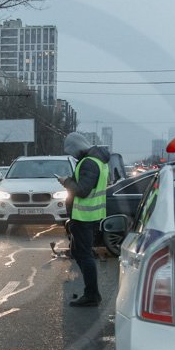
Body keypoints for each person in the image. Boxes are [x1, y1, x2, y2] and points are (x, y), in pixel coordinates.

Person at [58, 131, 111, 307]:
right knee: (78, 252)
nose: (72, 155)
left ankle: (92, 294)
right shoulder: (98, 161)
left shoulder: (89, 162)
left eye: (72, 151)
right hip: (87, 216)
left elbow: (82, 190)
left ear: (78, 147)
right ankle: (91, 292)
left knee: (85, 255)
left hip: (84, 216)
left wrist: (66, 181)